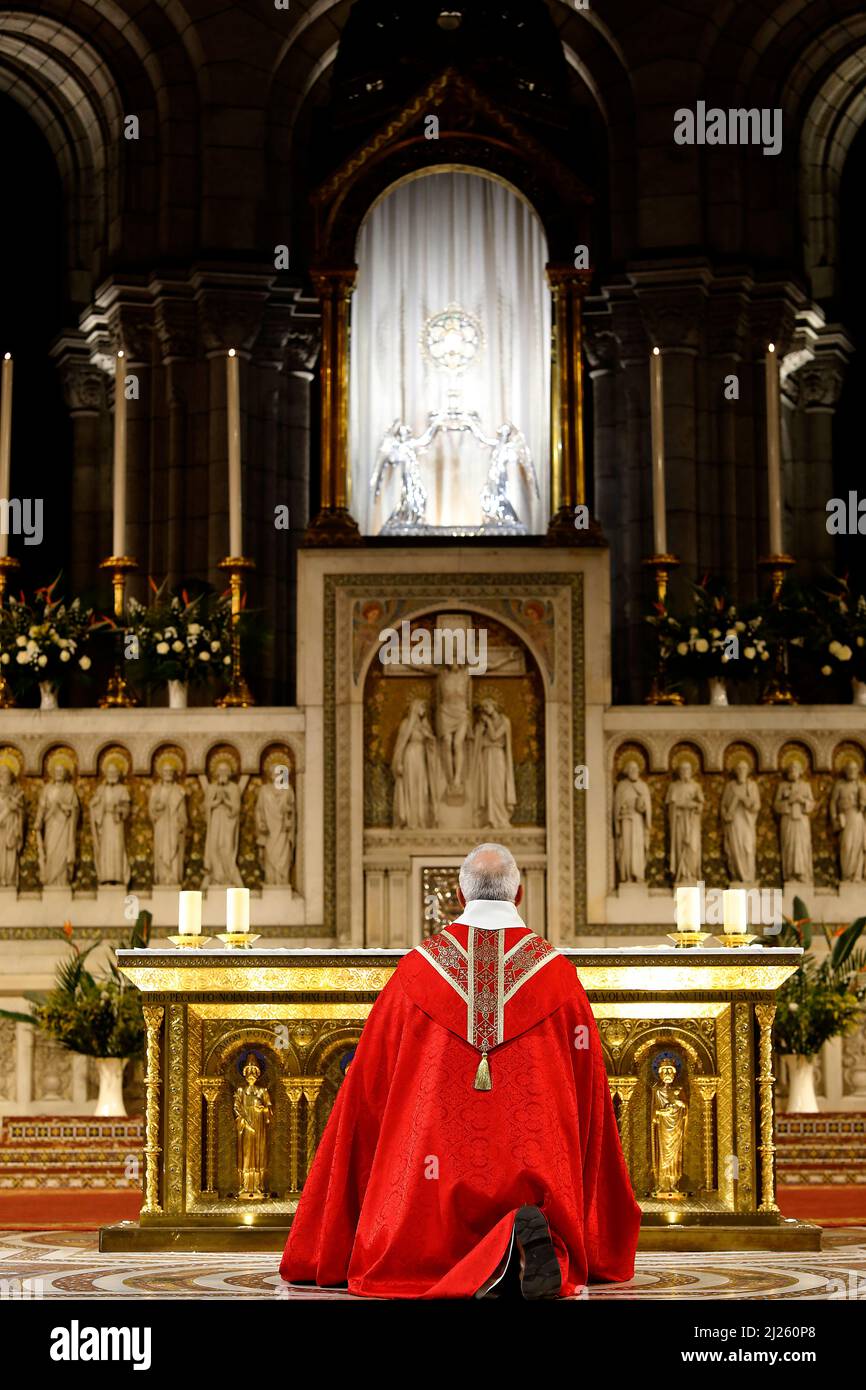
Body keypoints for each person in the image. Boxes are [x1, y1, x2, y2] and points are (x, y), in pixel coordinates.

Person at [280, 842, 640, 1299]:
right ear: (520, 895)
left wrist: (334, 1230)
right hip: (534, 1172)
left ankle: (463, 1249)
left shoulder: (416, 972)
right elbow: (589, 1094)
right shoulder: (557, 976)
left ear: (459, 895)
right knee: (536, 1173)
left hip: (427, 1191)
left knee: (416, 1221)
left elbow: (366, 1091)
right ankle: (527, 1240)